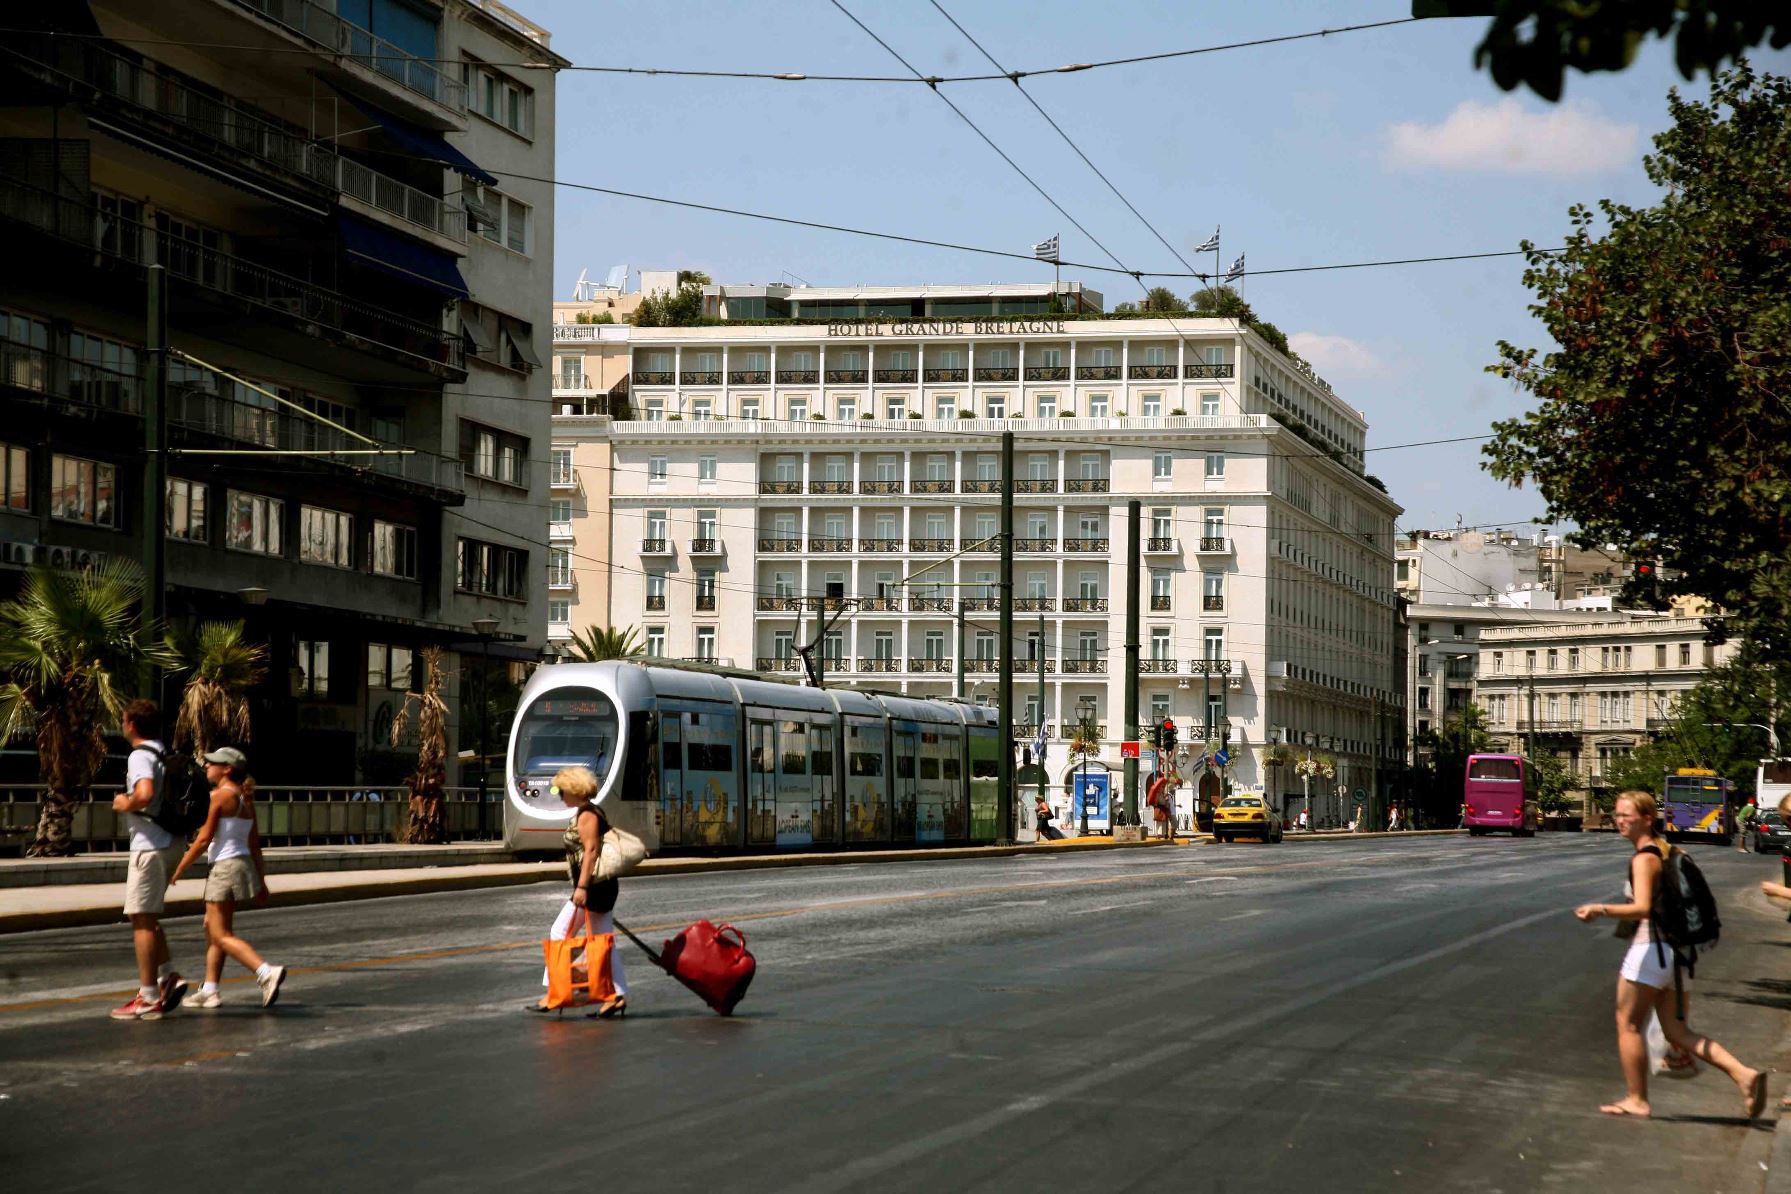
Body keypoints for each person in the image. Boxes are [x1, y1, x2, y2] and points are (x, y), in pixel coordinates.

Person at [1573, 790, 1767, 1119]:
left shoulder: (1643, 858)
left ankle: (1637, 1099)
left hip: (1651, 952)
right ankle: (1743, 1075)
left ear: (1647, 818)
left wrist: (1600, 909)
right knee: (1678, 1032)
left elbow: (1643, 908)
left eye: (1627, 815)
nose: (1620, 821)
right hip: (1679, 956)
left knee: (1628, 1024)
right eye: (1617, 815)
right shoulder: (1668, 851)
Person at [169, 748, 286, 1009]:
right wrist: (261, 879)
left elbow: (202, 840)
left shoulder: (220, 796)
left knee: (220, 934)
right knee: (213, 928)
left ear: (227, 769)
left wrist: (178, 869)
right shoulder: (245, 799)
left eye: (213, 763)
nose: (207, 765)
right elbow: (255, 844)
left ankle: (266, 972)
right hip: (241, 865)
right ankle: (210, 989)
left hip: (224, 869)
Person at [109, 700, 188, 1021]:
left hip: (149, 845)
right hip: (173, 841)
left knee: (140, 918)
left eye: (124, 720)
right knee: (148, 916)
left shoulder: (140, 755)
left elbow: (143, 793)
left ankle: (149, 996)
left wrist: (123, 803)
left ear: (131, 724)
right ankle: (168, 974)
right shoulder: (163, 751)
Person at [533, 766, 627, 1017]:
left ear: (573, 789)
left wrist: (582, 887)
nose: (558, 795)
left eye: (560, 790)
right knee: (602, 940)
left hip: (594, 886)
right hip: (600, 885)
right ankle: (616, 995)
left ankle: (556, 992)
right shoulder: (588, 812)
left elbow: (591, 852)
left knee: (561, 930)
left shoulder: (587, 815)